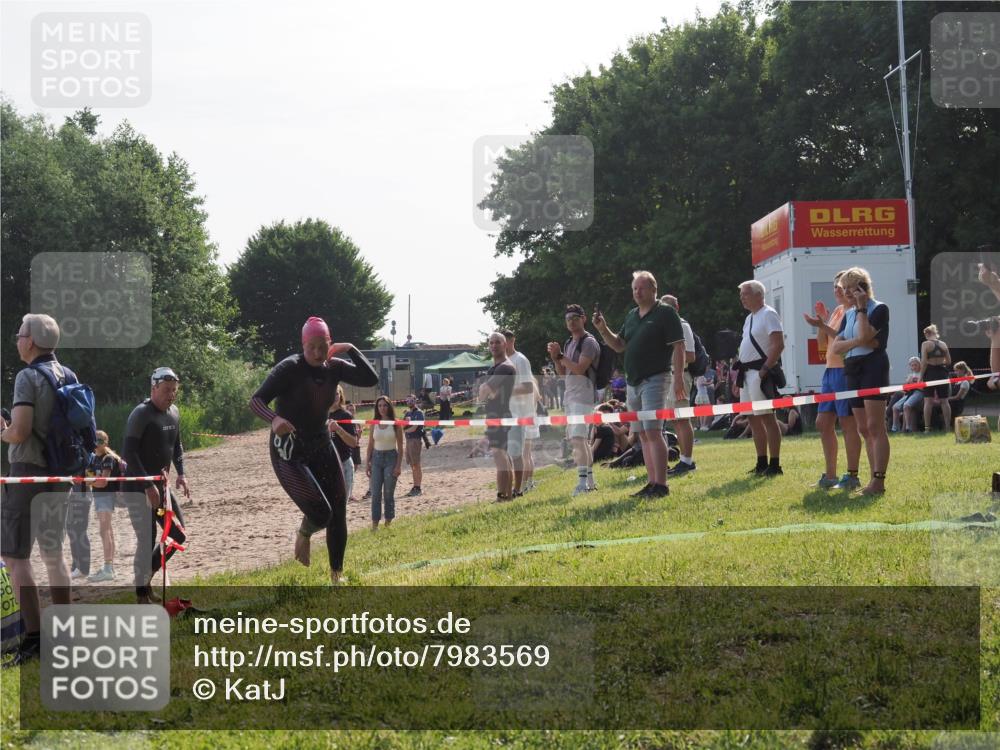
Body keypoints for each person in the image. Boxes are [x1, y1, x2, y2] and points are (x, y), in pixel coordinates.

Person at [250, 317, 378, 581]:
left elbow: (370, 378)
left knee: (339, 510)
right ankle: (304, 533)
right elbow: (256, 400)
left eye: (323, 347)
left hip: (321, 444)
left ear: (330, 343)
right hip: (289, 451)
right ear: (303, 345)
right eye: (312, 348)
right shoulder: (290, 368)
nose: (318, 354)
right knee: (321, 513)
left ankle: (336, 576)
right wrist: (274, 419)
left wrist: (350, 348)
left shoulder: (333, 367)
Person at [0, 314, 75, 666]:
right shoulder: (69, 374)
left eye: (20, 335)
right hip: (61, 474)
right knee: (54, 554)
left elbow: (21, 431)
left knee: (16, 556)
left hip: (28, 472)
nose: (17, 340)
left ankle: (35, 639)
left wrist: (3, 432)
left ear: (30, 341)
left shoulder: (27, 377)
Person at [592, 270, 686, 498]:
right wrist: (602, 328)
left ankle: (661, 485)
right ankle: (652, 482)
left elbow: (679, 346)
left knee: (653, 431)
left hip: (656, 378)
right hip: (632, 382)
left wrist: (679, 379)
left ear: (654, 289)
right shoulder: (632, 315)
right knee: (642, 434)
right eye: (634, 288)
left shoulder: (666, 313)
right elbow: (619, 345)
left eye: (642, 288)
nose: (637, 292)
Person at [123, 367, 192, 603]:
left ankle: (146, 579)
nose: (171, 395)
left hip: (161, 488)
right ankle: (141, 595)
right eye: (166, 390)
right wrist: (146, 485)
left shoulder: (174, 412)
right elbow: (129, 453)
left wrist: (181, 474)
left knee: (177, 535)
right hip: (137, 488)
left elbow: (176, 446)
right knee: (147, 540)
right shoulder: (141, 414)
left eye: (174, 390)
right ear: (154, 388)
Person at [829, 267, 891, 496]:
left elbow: (866, 336)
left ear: (862, 288)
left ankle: (878, 481)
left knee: (875, 426)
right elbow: (836, 347)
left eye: (850, 288)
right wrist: (858, 341)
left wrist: (863, 308)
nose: (846, 293)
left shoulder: (878, 308)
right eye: (843, 288)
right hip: (852, 368)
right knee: (863, 428)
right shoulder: (848, 314)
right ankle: (872, 479)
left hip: (873, 367)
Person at [802, 273, 863, 490]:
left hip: (845, 371)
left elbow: (842, 338)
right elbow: (822, 343)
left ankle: (852, 476)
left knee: (848, 424)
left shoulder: (854, 311)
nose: (836, 290)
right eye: (835, 287)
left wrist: (823, 324)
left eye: (840, 286)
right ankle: (830, 476)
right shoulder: (838, 311)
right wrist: (821, 322)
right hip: (830, 371)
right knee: (823, 423)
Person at [295, 386, 358, 560]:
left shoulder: (345, 416)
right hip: (321, 467)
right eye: (332, 393)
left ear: (341, 396)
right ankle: (304, 533)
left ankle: (335, 561)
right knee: (319, 507)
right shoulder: (317, 416)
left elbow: (353, 443)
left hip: (343, 466)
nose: (335, 397)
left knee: (338, 514)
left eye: (337, 394)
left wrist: (338, 430)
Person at [547, 304, 601, 496]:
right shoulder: (569, 342)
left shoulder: (589, 342)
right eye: (568, 319)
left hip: (583, 396)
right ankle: (590, 482)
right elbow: (564, 373)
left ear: (583, 319)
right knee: (580, 439)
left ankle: (582, 483)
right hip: (570, 395)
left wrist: (561, 355)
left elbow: (579, 369)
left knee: (578, 439)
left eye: (575, 318)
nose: (571, 322)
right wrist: (556, 358)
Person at [735, 280, 785, 477]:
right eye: (741, 295)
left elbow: (778, 344)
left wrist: (764, 369)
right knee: (753, 419)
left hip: (759, 372)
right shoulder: (749, 318)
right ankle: (761, 462)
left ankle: (775, 464)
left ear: (758, 295)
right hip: (747, 374)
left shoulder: (769, 314)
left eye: (745, 294)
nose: (742, 298)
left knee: (767, 418)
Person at [660, 295, 697, 477]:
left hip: (680, 375)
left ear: (676, 307)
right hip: (669, 376)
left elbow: (690, 355)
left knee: (682, 419)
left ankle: (687, 461)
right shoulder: (665, 328)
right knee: (675, 420)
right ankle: (684, 458)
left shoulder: (682, 326)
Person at [479, 332, 516, 502]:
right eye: (491, 343)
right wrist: (487, 392)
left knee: (500, 457)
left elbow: (484, 391)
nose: (494, 345)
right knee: (503, 457)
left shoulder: (504, 367)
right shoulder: (495, 368)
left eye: (498, 342)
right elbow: (489, 393)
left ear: (505, 344)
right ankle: (507, 496)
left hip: (500, 416)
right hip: (497, 415)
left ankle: (503, 497)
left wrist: (486, 392)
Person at [85, 431, 124, 583]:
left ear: (106, 442)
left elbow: (103, 482)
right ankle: (109, 567)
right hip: (99, 497)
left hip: (106, 496)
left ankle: (108, 568)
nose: (97, 443)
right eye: (95, 440)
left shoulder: (108, 458)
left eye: (100, 441)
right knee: (108, 531)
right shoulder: (93, 458)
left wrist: (92, 481)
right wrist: (93, 480)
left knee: (104, 531)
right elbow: (89, 478)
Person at [503, 330, 539, 496]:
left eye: (505, 341)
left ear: (512, 341)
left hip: (523, 413)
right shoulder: (504, 361)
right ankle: (527, 484)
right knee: (522, 453)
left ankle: (524, 485)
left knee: (523, 453)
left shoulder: (520, 359)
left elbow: (528, 387)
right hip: (512, 413)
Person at [366, 396, 404, 531]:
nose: (382, 408)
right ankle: (374, 525)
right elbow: (370, 444)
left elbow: (401, 447)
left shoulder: (396, 423)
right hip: (376, 459)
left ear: (389, 407)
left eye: (385, 405)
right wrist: (367, 463)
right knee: (375, 493)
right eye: (380, 405)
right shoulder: (374, 423)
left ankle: (388, 523)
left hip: (391, 458)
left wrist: (398, 466)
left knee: (388, 493)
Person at [919, 324, 953, 433]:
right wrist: (940, 362)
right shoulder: (943, 344)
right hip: (942, 373)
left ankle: (927, 429)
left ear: (927, 334)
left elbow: (924, 362)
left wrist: (920, 377)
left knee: (928, 402)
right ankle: (947, 427)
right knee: (944, 401)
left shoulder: (925, 344)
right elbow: (949, 361)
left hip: (930, 373)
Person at [888, 357, 923, 433]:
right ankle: (895, 428)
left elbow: (922, 387)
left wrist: (913, 384)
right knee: (895, 407)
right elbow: (906, 388)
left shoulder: (922, 373)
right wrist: (908, 383)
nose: (914, 367)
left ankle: (907, 427)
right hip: (910, 393)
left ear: (920, 364)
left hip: (919, 392)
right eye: (912, 365)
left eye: (915, 365)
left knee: (906, 405)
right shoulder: (910, 375)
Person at [402, 396, 425, 497]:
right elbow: (403, 425)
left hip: (415, 440)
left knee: (416, 464)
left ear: (415, 401)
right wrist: (406, 423)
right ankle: (415, 486)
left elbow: (414, 428)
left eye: (412, 400)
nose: (409, 402)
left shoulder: (419, 413)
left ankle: (418, 487)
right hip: (408, 440)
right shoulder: (407, 413)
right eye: (408, 400)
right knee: (412, 465)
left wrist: (405, 430)